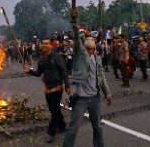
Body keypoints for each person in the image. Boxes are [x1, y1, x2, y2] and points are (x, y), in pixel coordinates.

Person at [63, 9, 112, 147]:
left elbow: (101, 78)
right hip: (80, 100)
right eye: (87, 47)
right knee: (73, 129)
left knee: (97, 127)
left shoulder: (97, 59)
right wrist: (74, 21)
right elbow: (77, 38)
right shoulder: (80, 55)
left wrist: (107, 93)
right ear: (84, 47)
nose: (90, 50)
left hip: (95, 98)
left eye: (92, 48)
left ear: (95, 48)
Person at [23, 38, 71, 144]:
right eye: (43, 44)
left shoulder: (56, 57)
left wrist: (67, 85)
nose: (44, 45)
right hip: (48, 87)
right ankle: (62, 125)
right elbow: (38, 73)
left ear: (51, 46)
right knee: (53, 108)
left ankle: (51, 133)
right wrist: (29, 71)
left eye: (46, 44)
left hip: (57, 86)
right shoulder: (41, 59)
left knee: (54, 110)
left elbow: (63, 71)